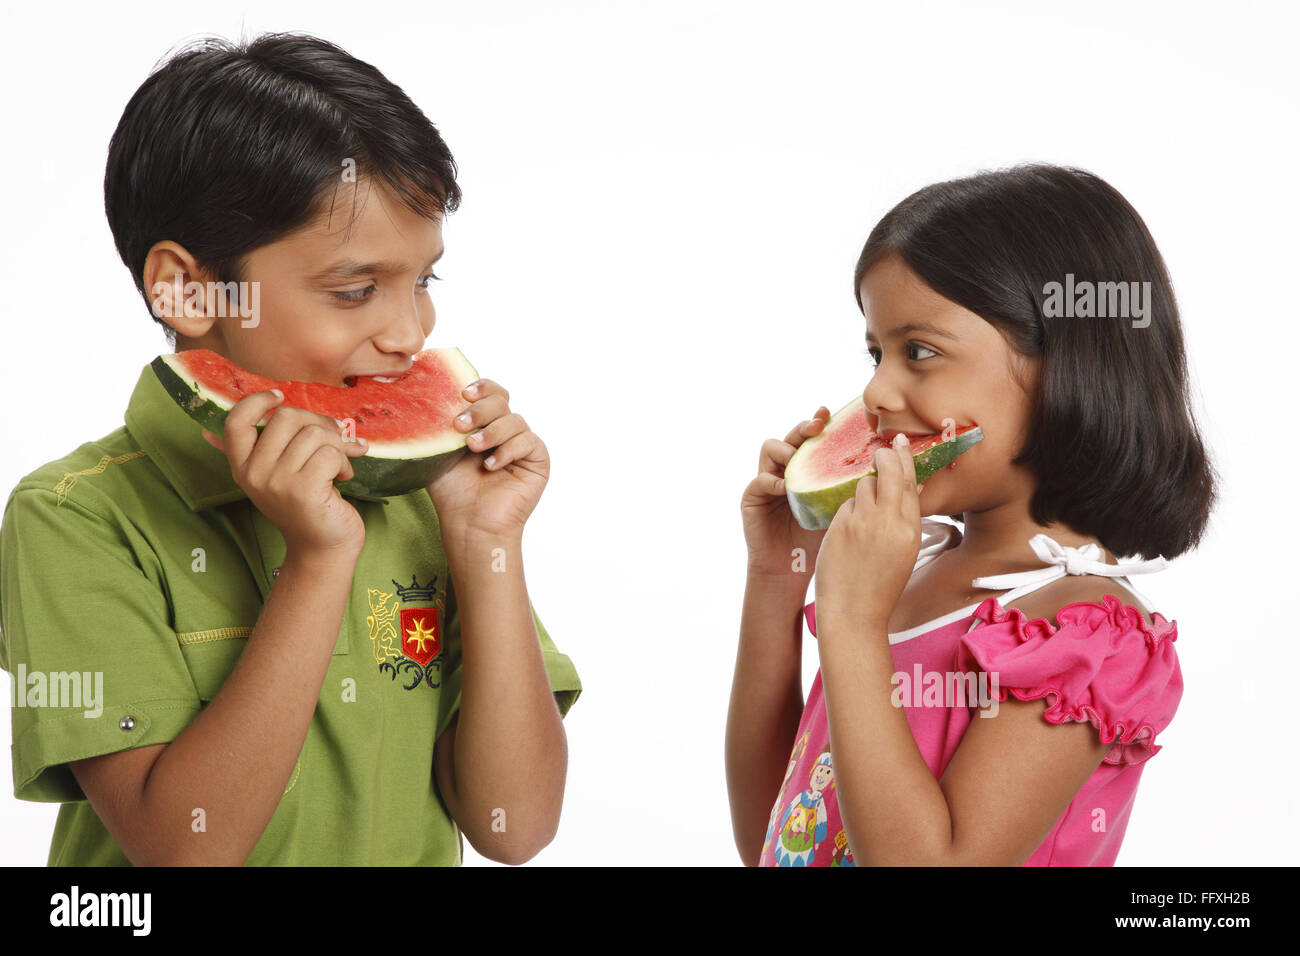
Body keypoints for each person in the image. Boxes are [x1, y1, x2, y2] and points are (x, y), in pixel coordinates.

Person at [0, 32, 580, 866]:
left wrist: (486, 543)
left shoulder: (426, 497)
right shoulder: (76, 519)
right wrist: (317, 562)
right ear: (189, 289)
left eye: (424, 281)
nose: (411, 335)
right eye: (355, 291)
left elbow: (512, 828)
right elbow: (184, 851)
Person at [727, 164, 1216, 866]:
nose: (875, 392)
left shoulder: (1080, 630)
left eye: (918, 351)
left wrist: (853, 621)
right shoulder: (905, 573)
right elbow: (773, 836)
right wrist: (780, 576)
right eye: (875, 351)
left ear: (1062, 365)